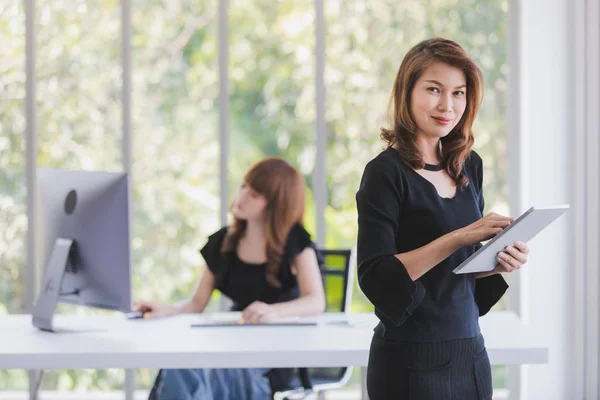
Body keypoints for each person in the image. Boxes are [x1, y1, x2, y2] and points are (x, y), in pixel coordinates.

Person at [356, 37, 530, 400]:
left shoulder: (470, 165)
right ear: (407, 91)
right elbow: (376, 275)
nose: (447, 105)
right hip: (409, 358)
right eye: (434, 90)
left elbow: (454, 271)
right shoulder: (385, 173)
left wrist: (496, 264)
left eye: (458, 93)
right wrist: (458, 237)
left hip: (470, 353)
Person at [135, 157, 326, 400]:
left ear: (276, 205)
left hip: (276, 353)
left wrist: (273, 311)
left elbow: (315, 301)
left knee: (191, 368)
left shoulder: (295, 241)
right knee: (182, 362)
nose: (242, 195)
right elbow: (195, 305)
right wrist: (162, 310)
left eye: (254, 194)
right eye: (244, 186)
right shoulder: (224, 242)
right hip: (234, 341)